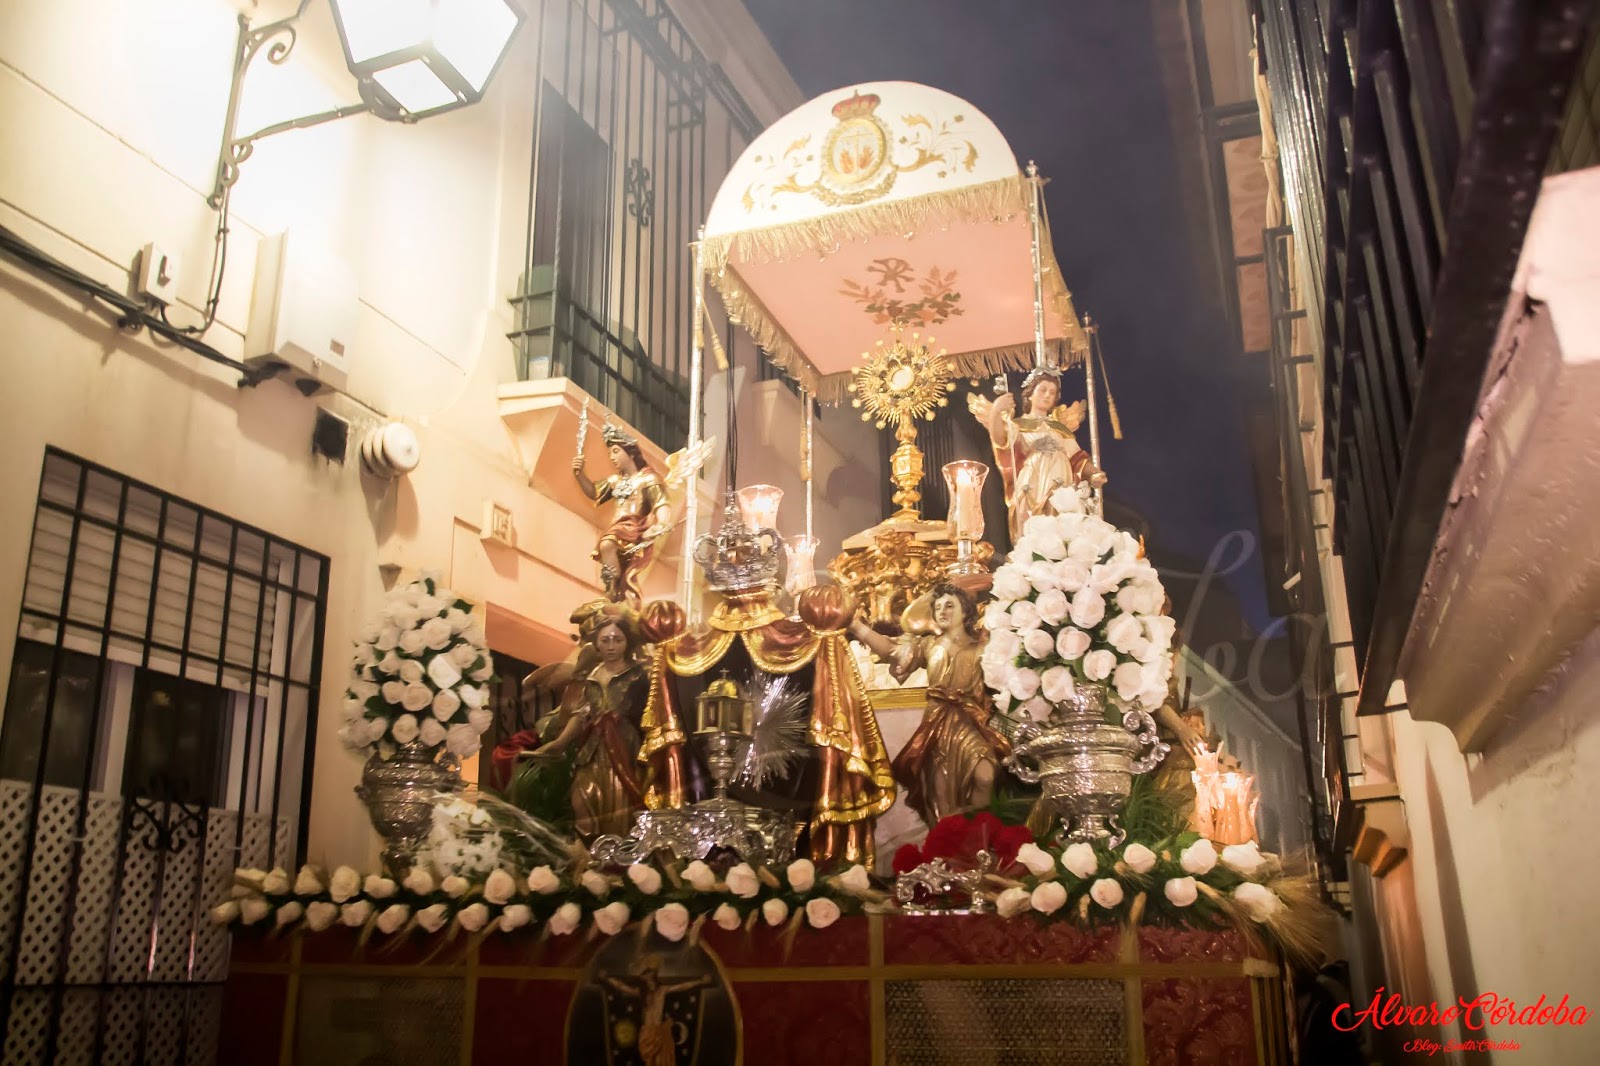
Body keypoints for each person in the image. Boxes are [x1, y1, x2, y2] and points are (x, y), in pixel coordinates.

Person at [849, 583, 1010, 828]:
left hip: (972, 721)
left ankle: (981, 839)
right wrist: (856, 626)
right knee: (941, 796)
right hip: (938, 725)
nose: (942, 611)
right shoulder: (928, 645)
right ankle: (947, 849)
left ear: (966, 611)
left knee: (985, 776)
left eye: (950, 605)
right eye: (937, 608)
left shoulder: (983, 645)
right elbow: (891, 650)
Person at [530, 605, 651, 837]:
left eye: (617, 639)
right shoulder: (592, 676)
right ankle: (588, 855)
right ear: (596, 643)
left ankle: (616, 860)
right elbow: (582, 712)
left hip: (625, 750)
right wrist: (560, 743)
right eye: (605, 640)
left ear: (628, 642)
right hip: (592, 749)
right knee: (582, 798)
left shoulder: (640, 674)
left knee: (620, 805)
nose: (611, 646)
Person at [968, 365, 1107, 541]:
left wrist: (1094, 473)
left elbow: (1077, 458)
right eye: (1042, 390)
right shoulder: (1018, 425)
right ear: (1030, 394)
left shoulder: (1060, 428)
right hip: (1032, 482)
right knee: (1030, 526)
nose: (1048, 395)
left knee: (1063, 523)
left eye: (1052, 392)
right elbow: (1001, 440)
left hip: (1061, 483)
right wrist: (996, 410)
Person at [573, 423, 672, 607]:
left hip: (633, 528)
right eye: (611, 453)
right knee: (616, 562)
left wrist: (661, 524)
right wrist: (579, 474)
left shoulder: (648, 479)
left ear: (631, 453)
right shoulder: (616, 481)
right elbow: (594, 492)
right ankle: (615, 592)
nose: (612, 457)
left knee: (607, 543)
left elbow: (661, 505)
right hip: (618, 528)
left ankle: (612, 593)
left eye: (616, 451)